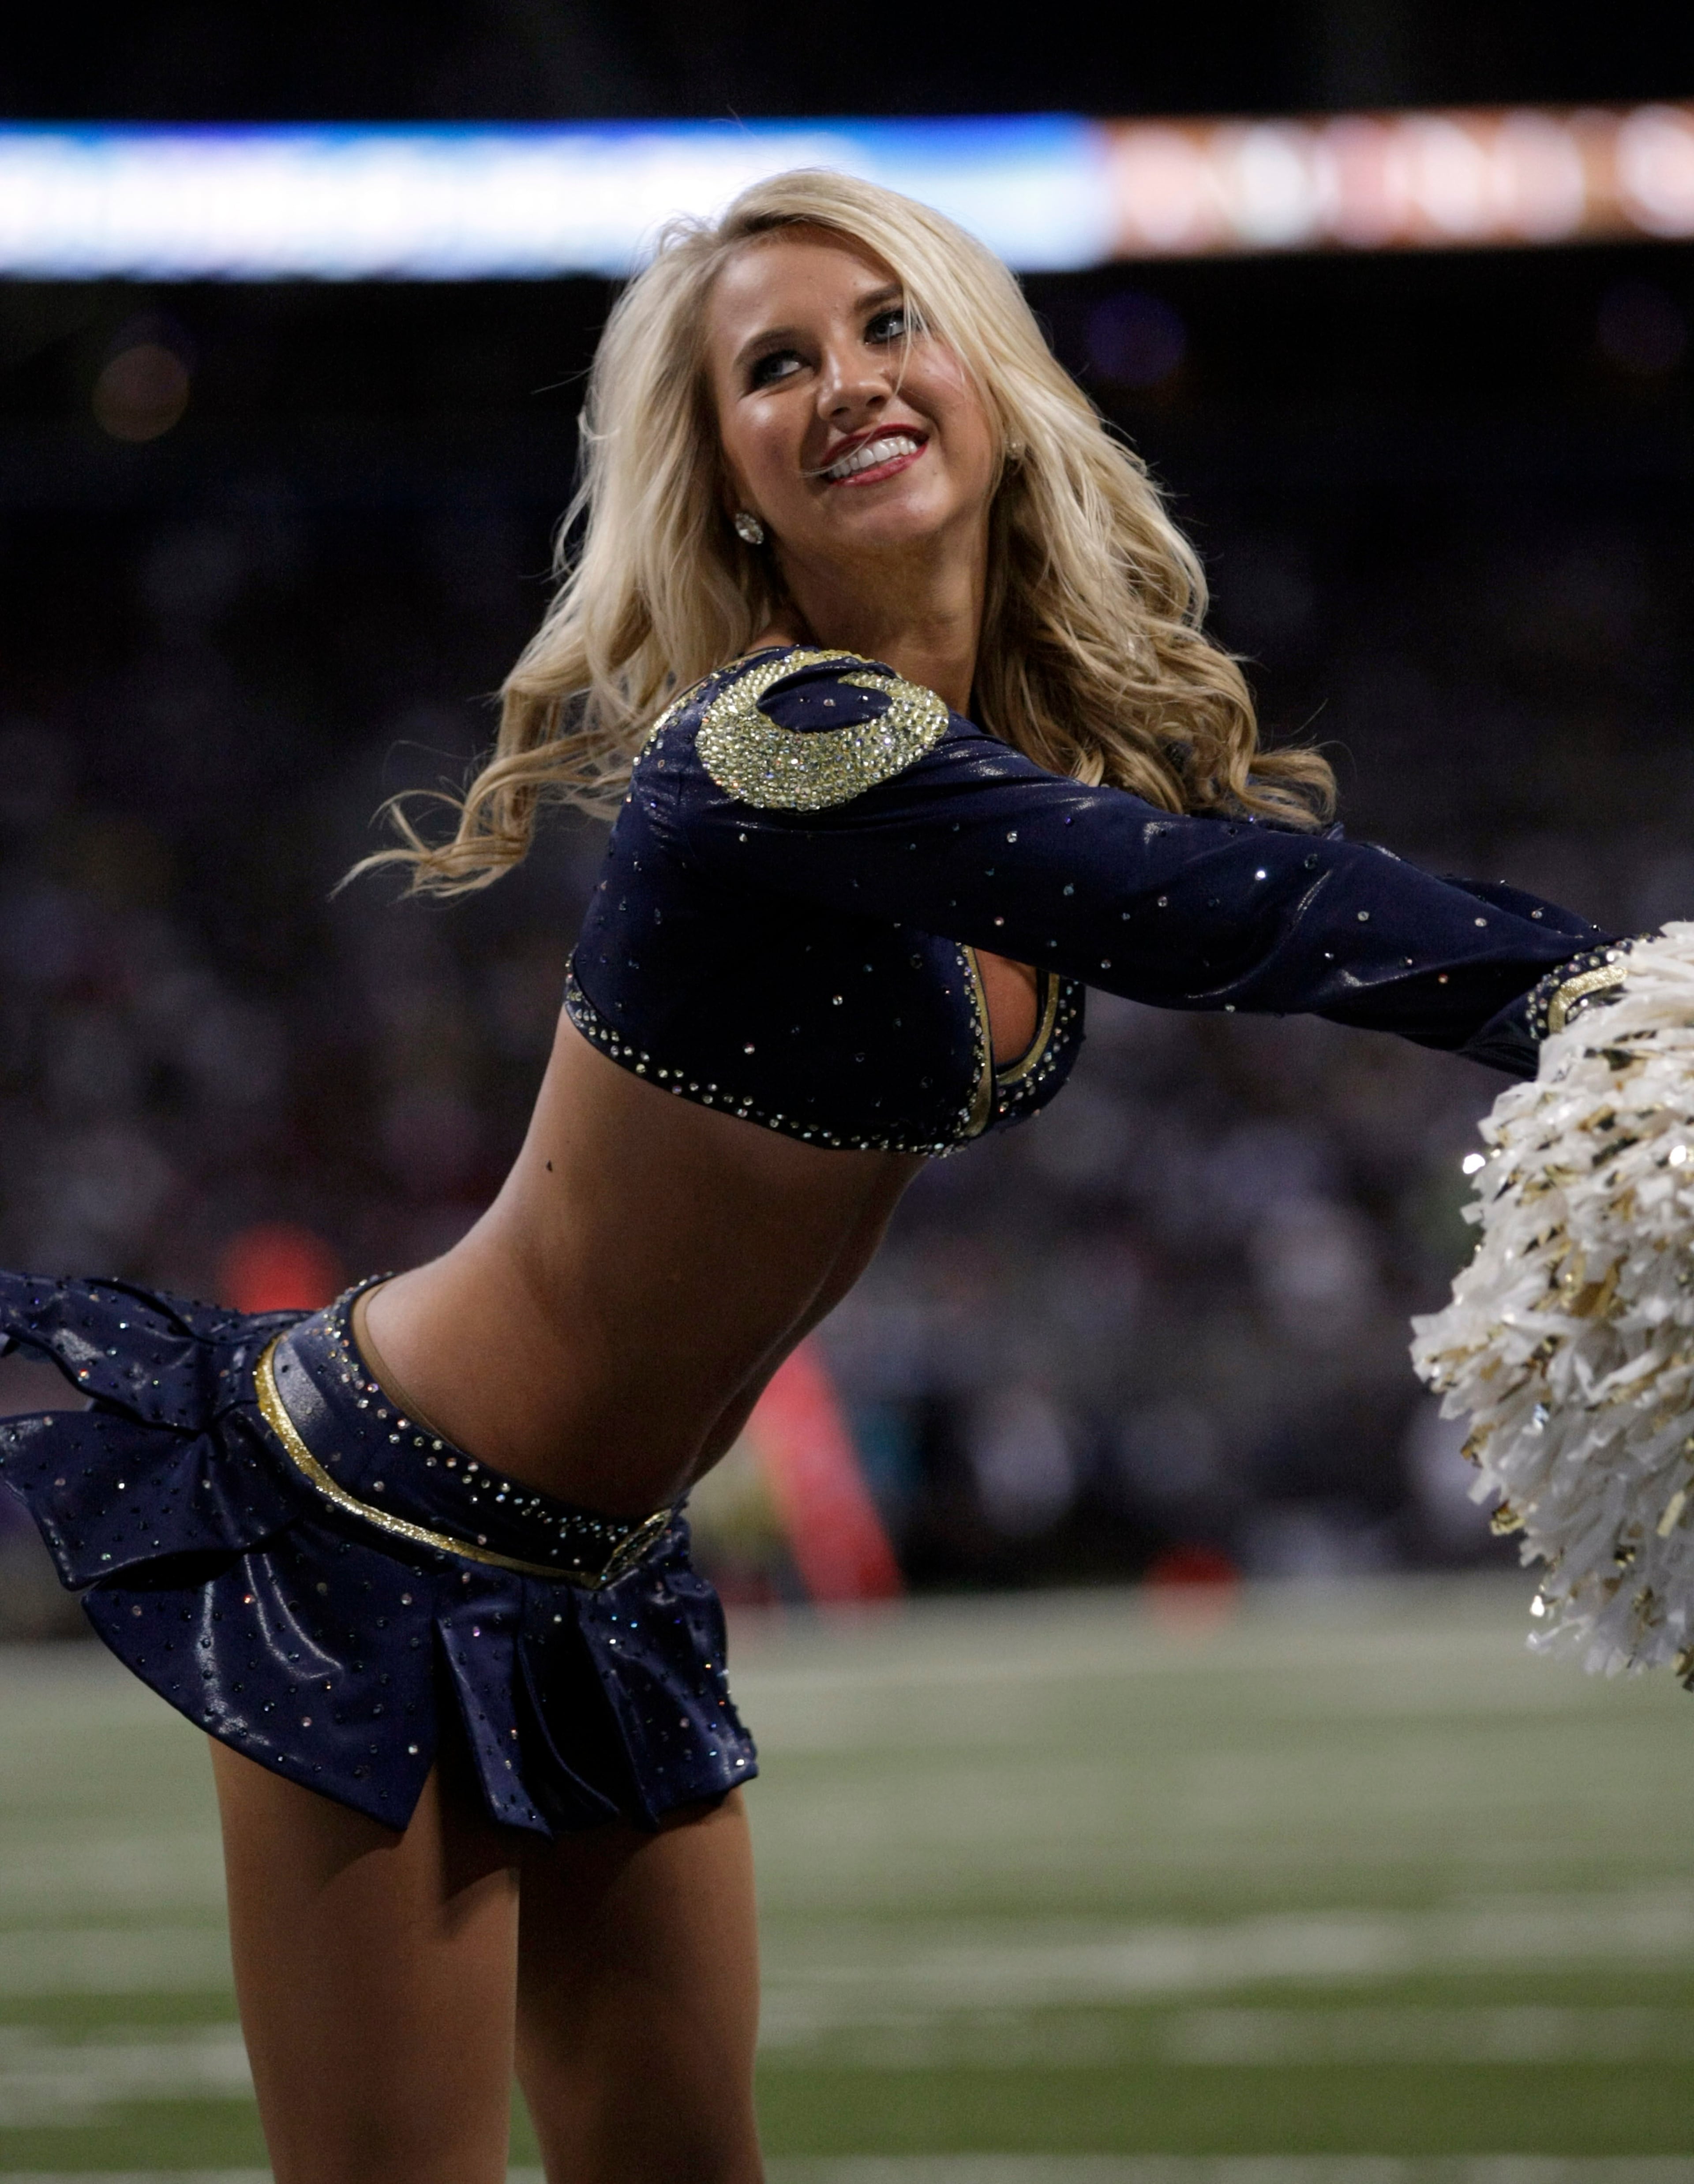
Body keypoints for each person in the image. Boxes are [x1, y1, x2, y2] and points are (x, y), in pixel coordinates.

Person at [0, 170, 1615, 2184]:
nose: (843, 382)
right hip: (373, 1527)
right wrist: (1626, 997)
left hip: (610, 1568)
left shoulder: (1011, 758)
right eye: (775, 367)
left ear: (989, 376)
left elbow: (1208, 876)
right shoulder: (766, 747)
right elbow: (1242, 908)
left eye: (885, 326)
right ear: (734, 475)